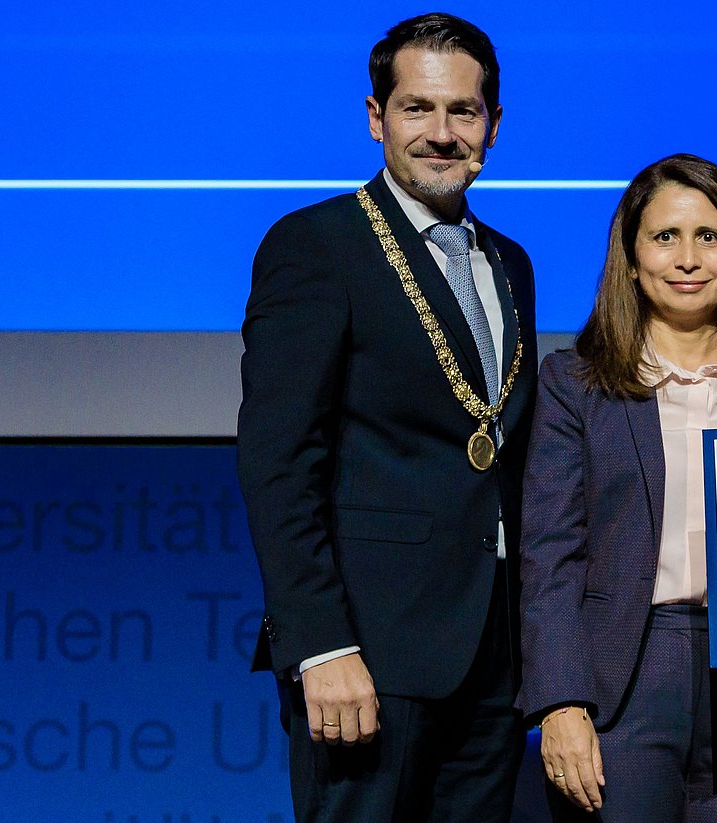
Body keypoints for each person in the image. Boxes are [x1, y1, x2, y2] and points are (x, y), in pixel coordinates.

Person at [236, 13, 532, 821]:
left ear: (493, 126)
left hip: (492, 662)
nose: (441, 134)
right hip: (367, 655)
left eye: (463, 112)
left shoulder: (511, 262)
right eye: (416, 109)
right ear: (376, 118)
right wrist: (319, 642)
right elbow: (277, 459)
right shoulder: (316, 245)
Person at [517, 154, 717, 822]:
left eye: (709, 237)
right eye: (665, 237)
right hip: (624, 678)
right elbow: (549, 557)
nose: (688, 258)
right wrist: (560, 700)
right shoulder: (573, 384)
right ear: (631, 259)